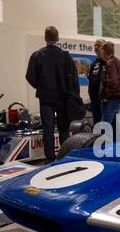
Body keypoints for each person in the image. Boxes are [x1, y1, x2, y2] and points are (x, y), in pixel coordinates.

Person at [26, 26, 80, 163]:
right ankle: (66, 156)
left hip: (45, 98)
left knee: (47, 129)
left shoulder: (37, 55)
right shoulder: (66, 56)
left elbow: (30, 77)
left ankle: (50, 158)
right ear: (57, 38)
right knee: (63, 129)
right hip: (63, 98)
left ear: (45, 38)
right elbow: (74, 78)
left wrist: (41, 86)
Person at [99, 41, 120, 128]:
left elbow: (113, 82)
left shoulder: (110, 63)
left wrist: (106, 96)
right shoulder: (117, 61)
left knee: (104, 127)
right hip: (116, 99)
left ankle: (102, 142)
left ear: (104, 52)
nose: (100, 54)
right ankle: (113, 142)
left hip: (111, 99)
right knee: (114, 128)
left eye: (101, 51)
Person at [88, 39, 106, 124]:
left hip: (104, 99)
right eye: (95, 45)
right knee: (96, 122)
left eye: (98, 45)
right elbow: (90, 78)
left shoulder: (108, 62)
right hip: (94, 98)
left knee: (105, 124)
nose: (96, 47)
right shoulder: (93, 63)